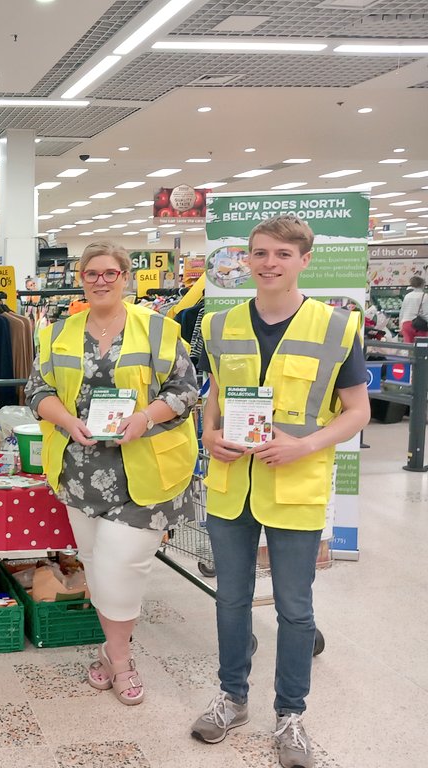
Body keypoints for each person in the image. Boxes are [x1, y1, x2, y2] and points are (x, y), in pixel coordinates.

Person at [193, 215, 370, 768]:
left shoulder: (338, 327)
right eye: (260, 253)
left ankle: (290, 713)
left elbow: (358, 411)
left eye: (283, 254)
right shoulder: (219, 326)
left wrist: (306, 444)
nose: (270, 263)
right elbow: (215, 394)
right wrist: (209, 434)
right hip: (231, 486)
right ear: (246, 259)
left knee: (295, 607)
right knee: (230, 600)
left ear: (304, 261)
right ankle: (232, 697)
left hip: (295, 482)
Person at [26, 241, 199, 706]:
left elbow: (186, 389)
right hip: (78, 471)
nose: (100, 280)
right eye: (91, 273)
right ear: (80, 278)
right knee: (97, 566)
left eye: (110, 273)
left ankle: (120, 662)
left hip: (144, 472)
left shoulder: (160, 329)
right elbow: (36, 388)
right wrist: (66, 421)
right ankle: (110, 648)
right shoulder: (58, 332)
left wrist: (144, 417)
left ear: (126, 277)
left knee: (120, 567)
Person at [398, 274, 427, 344]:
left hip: (406, 324)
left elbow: (402, 312)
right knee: (421, 346)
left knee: (408, 347)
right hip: (419, 326)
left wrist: (400, 326)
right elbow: (426, 314)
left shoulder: (407, 296)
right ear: (422, 285)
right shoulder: (425, 296)